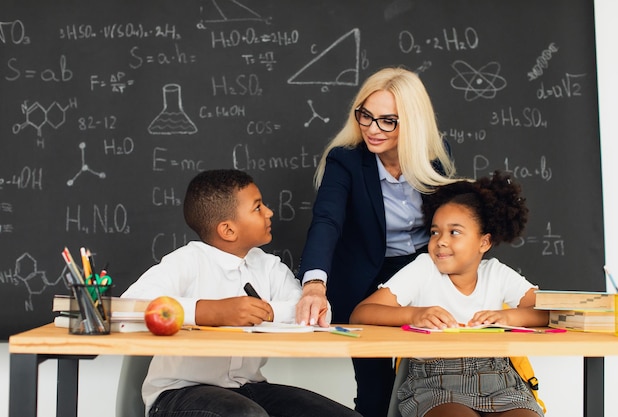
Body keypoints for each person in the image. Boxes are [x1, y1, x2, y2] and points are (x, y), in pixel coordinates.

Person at [122, 169, 362, 417]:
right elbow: (129, 306)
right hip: (179, 393)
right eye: (258, 208)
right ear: (228, 230)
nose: (269, 212)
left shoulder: (269, 266)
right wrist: (210, 311)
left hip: (248, 388)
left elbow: (308, 310)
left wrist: (267, 312)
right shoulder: (188, 261)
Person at [296, 67, 457, 416]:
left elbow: (449, 219)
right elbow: (327, 221)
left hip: (421, 272)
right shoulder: (347, 160)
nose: (372, 129)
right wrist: (313, 285)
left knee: (437, 380)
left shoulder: (436, 153)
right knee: (375, 389)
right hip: (363, 281)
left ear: (412, 122)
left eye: (388, 121)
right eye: (366, 116)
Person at [350, 171, 549, 417]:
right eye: (435, 232)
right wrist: (414, 314)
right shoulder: (423, 269)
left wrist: (510, 318)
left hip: (500, 379)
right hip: (435, 382)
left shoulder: (496, 274)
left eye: (454, 232)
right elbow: (361, 314)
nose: (441, 241)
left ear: (484, 243)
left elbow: (552, 311)